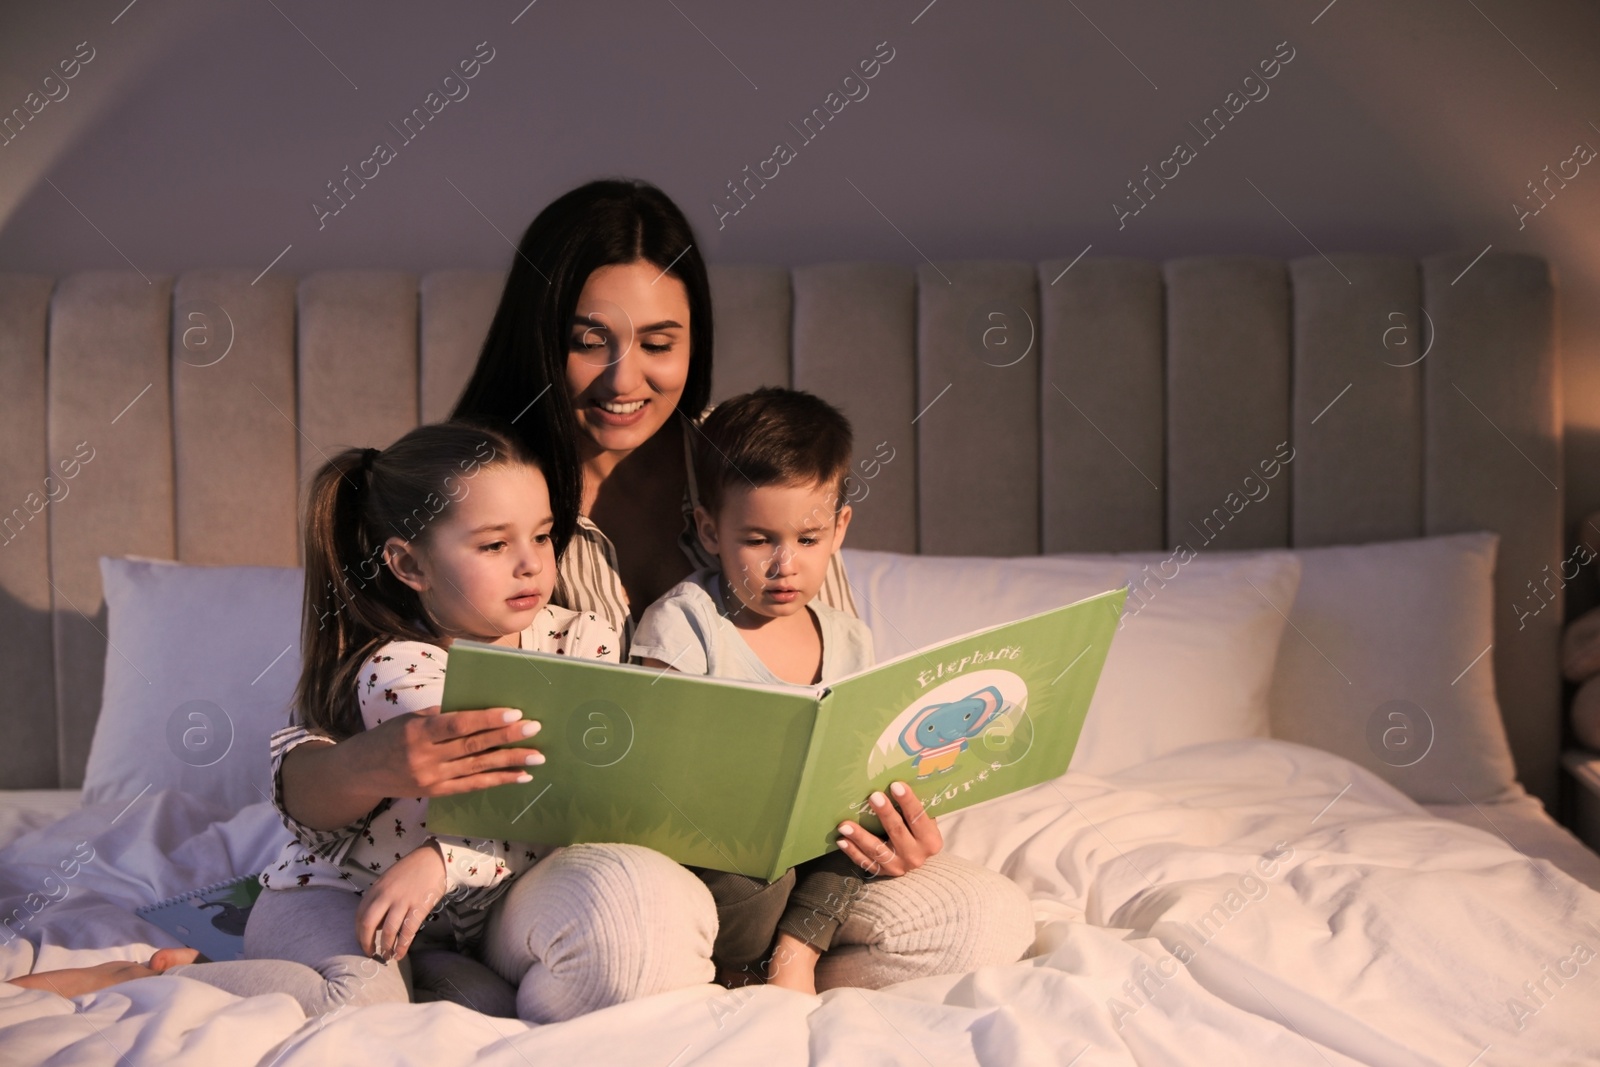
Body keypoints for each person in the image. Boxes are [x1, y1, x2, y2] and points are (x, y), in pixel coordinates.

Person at [270, 178, 1031, 1008]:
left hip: (769, 863)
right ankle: (587, 968)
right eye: (589, 341)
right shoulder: (480, 493)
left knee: (976, 920)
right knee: (632, 927)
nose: (622, 378)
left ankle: (756, 980)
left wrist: (886, 815)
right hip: (545, 855)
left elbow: (836, 699)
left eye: (659, 342)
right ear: (540, 341)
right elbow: (315, 757)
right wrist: (373, 761)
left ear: (695, 341)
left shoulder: (755, 479)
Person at [158, 419, 716, 1023]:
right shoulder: (400, 668)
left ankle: (422, 976)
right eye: (494, 545)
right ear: (409, 565)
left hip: (463, 917)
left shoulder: (587, 642)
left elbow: (580, 807)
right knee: (355, 1007)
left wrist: (446, 862)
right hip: (348, 894)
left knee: (488, 1012)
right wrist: (444, 862)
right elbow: (522, 794)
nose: (530, 564)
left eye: (542, 535)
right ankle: (175, 977)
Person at [632, 387, 1034, 994]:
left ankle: (796, 952)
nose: (784, 564)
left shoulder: (848, 638)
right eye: (758, 539)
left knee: (865, 828)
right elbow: (656, 768)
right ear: (710, 532)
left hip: (820, 852)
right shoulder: (686, 623)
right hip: (726, 857)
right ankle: (746, 963)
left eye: (808, 539)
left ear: (840, 527)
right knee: (750, 886)